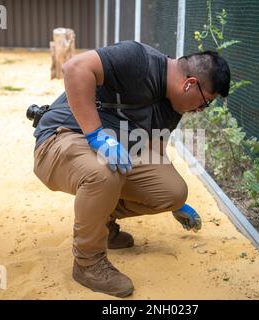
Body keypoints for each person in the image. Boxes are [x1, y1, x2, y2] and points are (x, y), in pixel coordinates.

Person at [33, 40, 230, 298]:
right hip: (60, 138)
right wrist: (96, 135)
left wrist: (173, 203)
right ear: (189, 84)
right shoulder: (139, 59)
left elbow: (155, 154)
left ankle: (101, 224)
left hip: (108, 153)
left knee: (173, 190)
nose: (200, 110)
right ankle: (88, 263)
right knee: (106, 170)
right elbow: (74, 68)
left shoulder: (173, 106)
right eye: (205, 102)